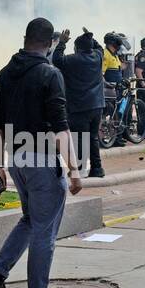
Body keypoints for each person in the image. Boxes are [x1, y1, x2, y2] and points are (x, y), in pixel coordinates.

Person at [0, 17, 83, 288]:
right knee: (44, 232)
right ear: (49, 44)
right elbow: (61, 128)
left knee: (30, 219)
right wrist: (74, 170)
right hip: (42, 162)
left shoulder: (7, 73)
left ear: (25, 38)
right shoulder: (51, 74)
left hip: (16, 160)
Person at [54, 28, 106, 177]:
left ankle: (81, 169)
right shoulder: (97, 57)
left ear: (77, 48)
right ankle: (97, 168)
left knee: (80, 139)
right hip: (97, 105)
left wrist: (62, 43)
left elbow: (57, 59)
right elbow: (99, 47)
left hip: (79, 107)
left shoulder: (73, 59)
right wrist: (91, 36)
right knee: (93, 137)